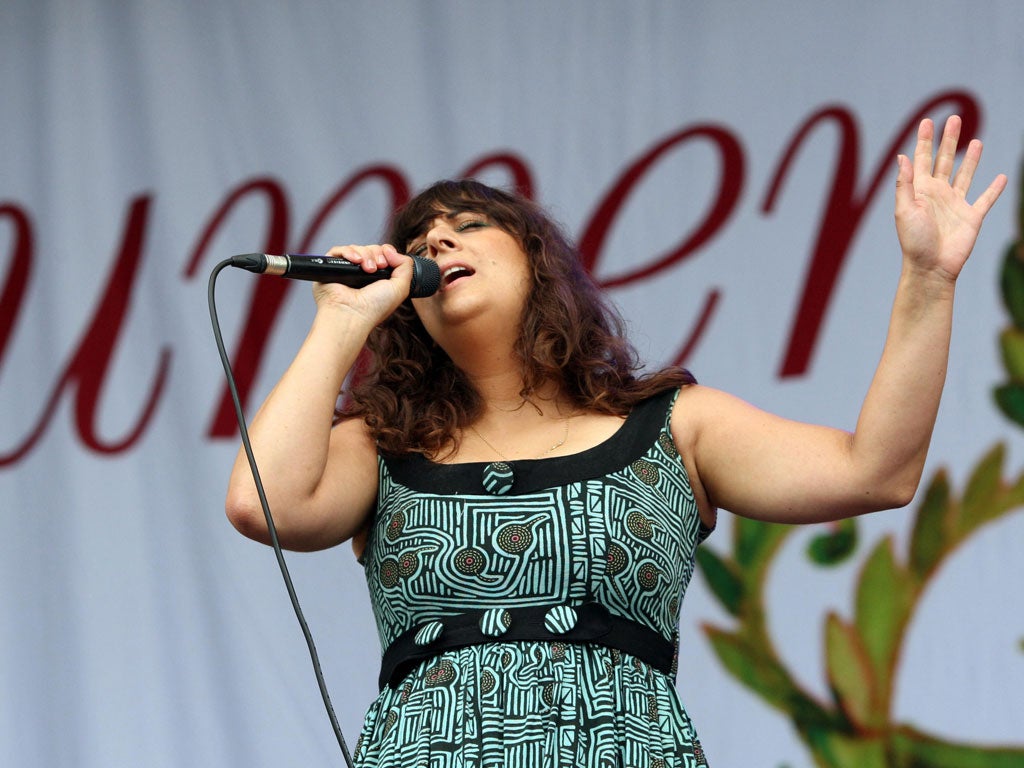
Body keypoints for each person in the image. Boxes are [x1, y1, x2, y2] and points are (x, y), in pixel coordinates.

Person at [225, 115, 1006, 767]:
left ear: (536, 261)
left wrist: (929, 282)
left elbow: (876, 473)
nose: (436, 243)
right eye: (420, 242)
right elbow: (265, 506)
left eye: (467, 227)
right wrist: (341, 320)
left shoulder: (674, 425)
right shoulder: (382, 445)